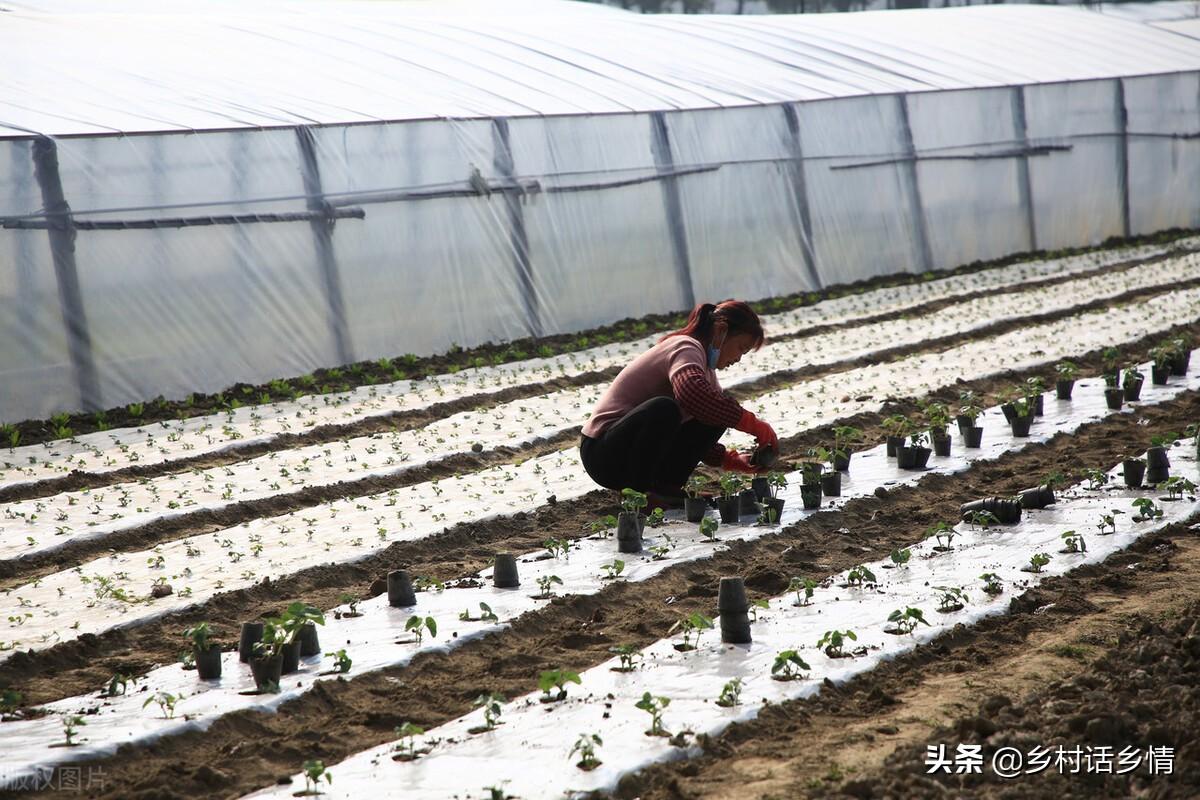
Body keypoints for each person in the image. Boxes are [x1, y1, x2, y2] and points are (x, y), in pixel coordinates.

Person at [579, 300, 779, 507]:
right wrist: (754, 425)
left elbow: (697, 432)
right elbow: (691, 393)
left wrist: (731, 460)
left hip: (629, 452)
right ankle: (641, 494)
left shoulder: (706, 370)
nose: (738, 358)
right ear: (721, 330)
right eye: (741, 348)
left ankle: (666, 488)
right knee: (664, 409)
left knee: (716, 412)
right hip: (603, 453)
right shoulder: (685, 346)